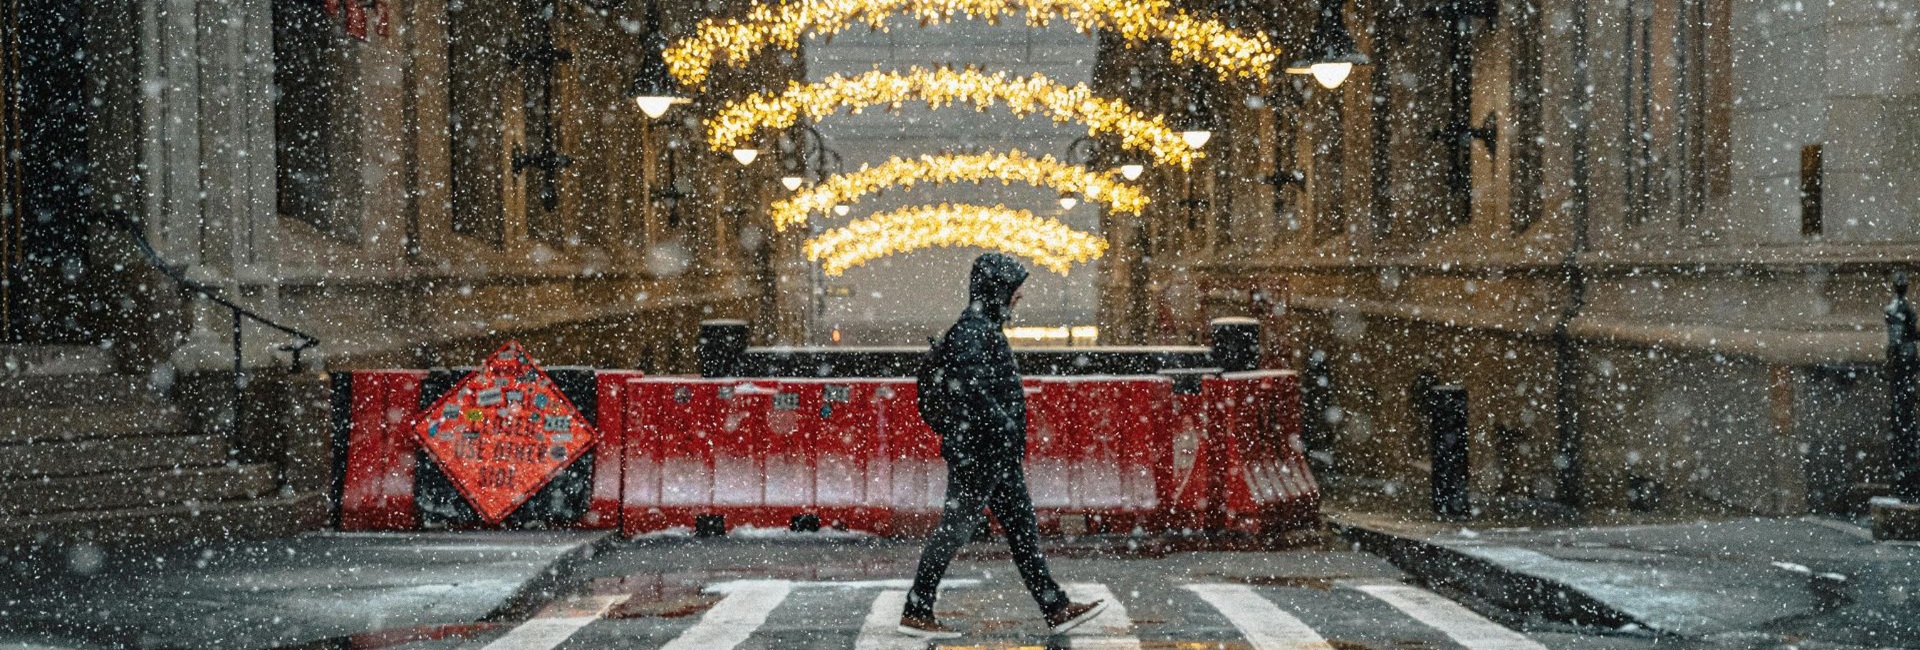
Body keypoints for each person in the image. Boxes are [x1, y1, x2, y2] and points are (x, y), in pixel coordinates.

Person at [898, 253, 1106, 640]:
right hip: (981, 453)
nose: (1019, 299)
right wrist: (1004, 424)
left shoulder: (982, 329)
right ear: (997, 291)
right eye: (1014, 291)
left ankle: (1055, 606)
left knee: (1021, 530)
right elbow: (972, 391)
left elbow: (974, 389)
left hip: (993, 455)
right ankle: (917, 608)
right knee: (955, 529)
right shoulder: (975, 332)